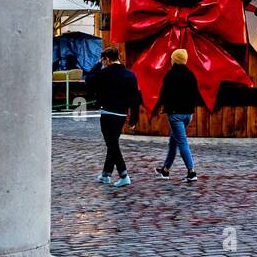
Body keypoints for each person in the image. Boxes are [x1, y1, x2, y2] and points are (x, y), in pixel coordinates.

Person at [83, 47, 141, 188]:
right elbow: (135, 98)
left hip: (108, 112)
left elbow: (89, 80)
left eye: (104, 60)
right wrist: (134, 119)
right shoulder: (130, 74)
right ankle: (106, 174)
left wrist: (97, 65)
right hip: (121, 114)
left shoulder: (104, 73)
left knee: (112, 145)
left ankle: (123, 175)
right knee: (113, 143)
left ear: (107, 59)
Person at [153, 48, 202, 183]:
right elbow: (196, 95)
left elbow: (163, 94)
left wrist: (157, 108)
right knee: (173, 141)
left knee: (182, 142)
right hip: (188, 115)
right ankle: (165, 170)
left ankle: (191, 172)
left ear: (175, 60)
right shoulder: (191, 75)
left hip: (175, 115)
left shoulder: (170, 75)